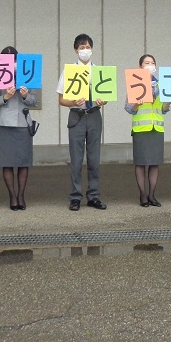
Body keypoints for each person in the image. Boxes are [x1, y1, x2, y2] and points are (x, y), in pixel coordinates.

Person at [57, 33, 107, 212]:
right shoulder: (69, 71)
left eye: (87, 47)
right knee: (76, 159)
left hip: (94, 114)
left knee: (94, 158)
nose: (85, 50)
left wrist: (103, 101)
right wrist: (73, 102)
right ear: (75, 50)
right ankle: (75, 197)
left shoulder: (99, 71)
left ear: (91, 49)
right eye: (81, 47)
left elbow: (106, 96)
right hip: (76, 115)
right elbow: (61, 99)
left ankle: (93, 196)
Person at [0, 46, 37, 211]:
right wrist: (6, 96)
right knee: (7, 162)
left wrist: (25, 95)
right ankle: (12, 196)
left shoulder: (26, 73)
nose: (12, 62)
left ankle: (21, 196)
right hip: (5, 123)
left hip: (23, 123)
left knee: (23, 162)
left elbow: (34, 100)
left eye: (14, 59)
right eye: (7, 59)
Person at [124, 53, 170, 207]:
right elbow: (129, 108)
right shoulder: (134, 83)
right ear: (140, 67)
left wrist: (168, 103)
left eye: (152, 62)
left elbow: (163, 110)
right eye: (146, 63)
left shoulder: (161, 84)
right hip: (141, 129)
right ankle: (143, 195)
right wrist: (137, 103)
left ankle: (152, 195)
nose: (150, 65)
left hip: (156, 128)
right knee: (141, 164)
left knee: (155, 163)